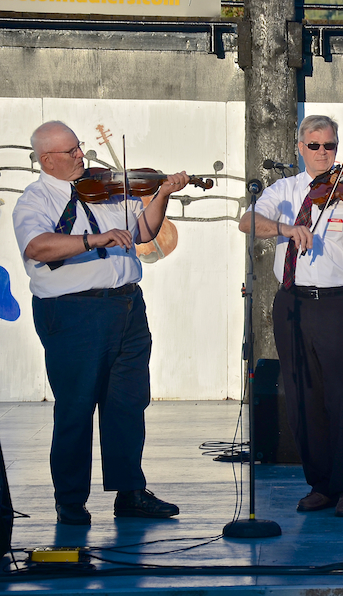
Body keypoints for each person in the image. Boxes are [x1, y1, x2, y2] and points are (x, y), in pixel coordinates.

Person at [12, 121, 186, 525]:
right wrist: (94, 239)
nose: (81, 155)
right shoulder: (35, 200)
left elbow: (143, 231)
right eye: (71, 151)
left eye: (79, 147)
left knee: (128, 402)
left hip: (127, 306)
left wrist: (162, 194)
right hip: (72, 312)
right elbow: (37, 246)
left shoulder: (105, 189)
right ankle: (71, 501)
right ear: (47, 159)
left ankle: (130, 492)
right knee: (75, 406)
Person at [238, 115, 343, 518]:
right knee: (302, 396)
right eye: (315, 145)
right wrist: (286, 229)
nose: (323, 153)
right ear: (300, 147)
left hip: (339, 302)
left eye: (330, 146)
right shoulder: (284, 190)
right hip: (293, 301)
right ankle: (320, 484)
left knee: (342, 395)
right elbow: (247, 221)